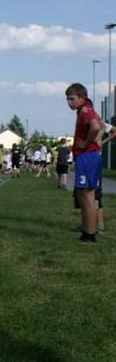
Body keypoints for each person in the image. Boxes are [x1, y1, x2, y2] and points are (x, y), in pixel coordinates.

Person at [66, 82, 102, 243]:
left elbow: (95, 127)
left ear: (82, 97)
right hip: (85, 156)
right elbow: (100, 125)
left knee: (87, 195)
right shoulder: (83, 110)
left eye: (72, 99)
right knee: (82, 194)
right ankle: (86, 229)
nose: (69, 102)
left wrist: (87, 143)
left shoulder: (86, 111)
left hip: (87, 155)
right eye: (67, 99)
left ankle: (90, 234)